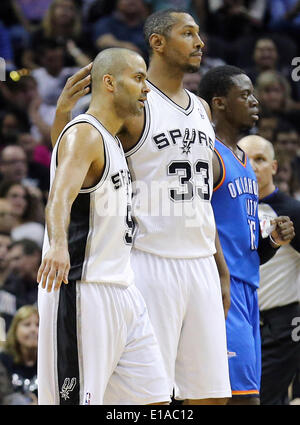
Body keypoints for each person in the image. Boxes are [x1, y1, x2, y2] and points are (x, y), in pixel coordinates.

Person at [51, 9, 232, 405]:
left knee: (213, 395)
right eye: (189, 34)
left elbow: (201, 196)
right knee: (148, 398)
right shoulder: (134, 101)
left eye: (199, 34)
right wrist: (63, 112)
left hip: (201, 260)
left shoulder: (201, 109)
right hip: (149, 259)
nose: (200, 42)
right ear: (158, 42)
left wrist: (221, 268)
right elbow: (75, 157)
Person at [37, 47, 170, 406]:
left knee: (155, 401)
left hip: (122, 288)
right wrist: (59, 245)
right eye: (139, 78)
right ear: (109, 82)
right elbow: (59, 197)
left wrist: (62, 112)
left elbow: (66, 166)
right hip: (81, 288)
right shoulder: (85, 134)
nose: (146, 89)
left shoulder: (105, 139)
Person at [198, 65, 295, 405]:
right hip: (220, 291)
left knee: (248, 396)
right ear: (219, 103)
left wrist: (273, 242)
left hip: (249, 289)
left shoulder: (243, 163)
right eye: (245, 95)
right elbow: (194, 226)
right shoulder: (208, 156)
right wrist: (221, 276)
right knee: (240, 401)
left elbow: (250, 251)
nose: (255, 101)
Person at [238, 134, 300, 405]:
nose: (252, 166)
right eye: (246, 159)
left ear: (274, 167)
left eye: (260, 159)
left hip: (283, 324)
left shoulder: (292, 210)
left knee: (265, 398)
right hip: (240, 319)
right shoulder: (230, 208)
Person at [0, 305, 38, 405]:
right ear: (15, 330)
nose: (34, 330)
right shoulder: (3, 360)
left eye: (38, 325)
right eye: (27, 324)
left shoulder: (52, 361)